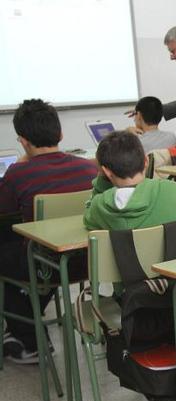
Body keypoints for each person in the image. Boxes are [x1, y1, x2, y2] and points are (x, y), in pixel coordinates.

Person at [0, 99, 97, 364]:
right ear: (61, 134)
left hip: (45, 266)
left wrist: (17, 166)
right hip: (89, 263)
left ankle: (28, 340)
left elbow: (4, 211)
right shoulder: (89, 168)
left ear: (23, 140)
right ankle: (29, 318)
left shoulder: (18, 174)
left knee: (8, 247)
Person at [83, 131, 176, 250]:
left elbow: (88, 219)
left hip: (131, 281)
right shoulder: (172, 191)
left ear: (106, 172)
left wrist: (102, 179)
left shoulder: (99, 206)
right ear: (146, 161)